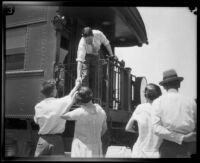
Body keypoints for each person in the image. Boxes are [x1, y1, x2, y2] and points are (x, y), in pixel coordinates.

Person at [152, 69, 197, 158]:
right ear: (179, 84)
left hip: (169, 148)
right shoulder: (191, 102)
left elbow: (156, 128)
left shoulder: (158, 102)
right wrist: (185, 137)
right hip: (191, 146)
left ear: (164, 87)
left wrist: (180, 138)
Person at [34, 79, 81, 157]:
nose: (56, 90)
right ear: (53, 92)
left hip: (42, 140)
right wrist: (76, 86)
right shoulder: (61, 103)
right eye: (55, 88)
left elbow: (36, 120)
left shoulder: (38, 106)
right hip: (57, 140)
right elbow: (70, 96)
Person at [61, 86, 107, 158]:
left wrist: (72, 101)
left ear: (79, 100)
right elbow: (104, 129)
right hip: (97, 148)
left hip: (81, 149)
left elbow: (62, 115)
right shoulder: (101, 111)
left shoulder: (80, 112)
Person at [76, 27, 116, 97]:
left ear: (93, 36)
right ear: (84, 38)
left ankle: (96, 98)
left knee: (98, 75)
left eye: (90, 39)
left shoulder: (98, 34)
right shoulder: (82, 44)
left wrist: (111, 55)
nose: (89, 41)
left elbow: (107, 43)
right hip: (86, 56)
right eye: (87, 40)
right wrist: (78, 76)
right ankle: (85, 97)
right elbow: (80, 61)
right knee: (84, 75)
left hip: (97, 55)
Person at [125, 83, 162, 158]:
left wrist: (140, 131)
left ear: (146, 96)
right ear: (159, 96)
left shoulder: (140, 108)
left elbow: (128, 128)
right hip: (156, 152)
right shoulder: (163, 109)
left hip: (139, 152)